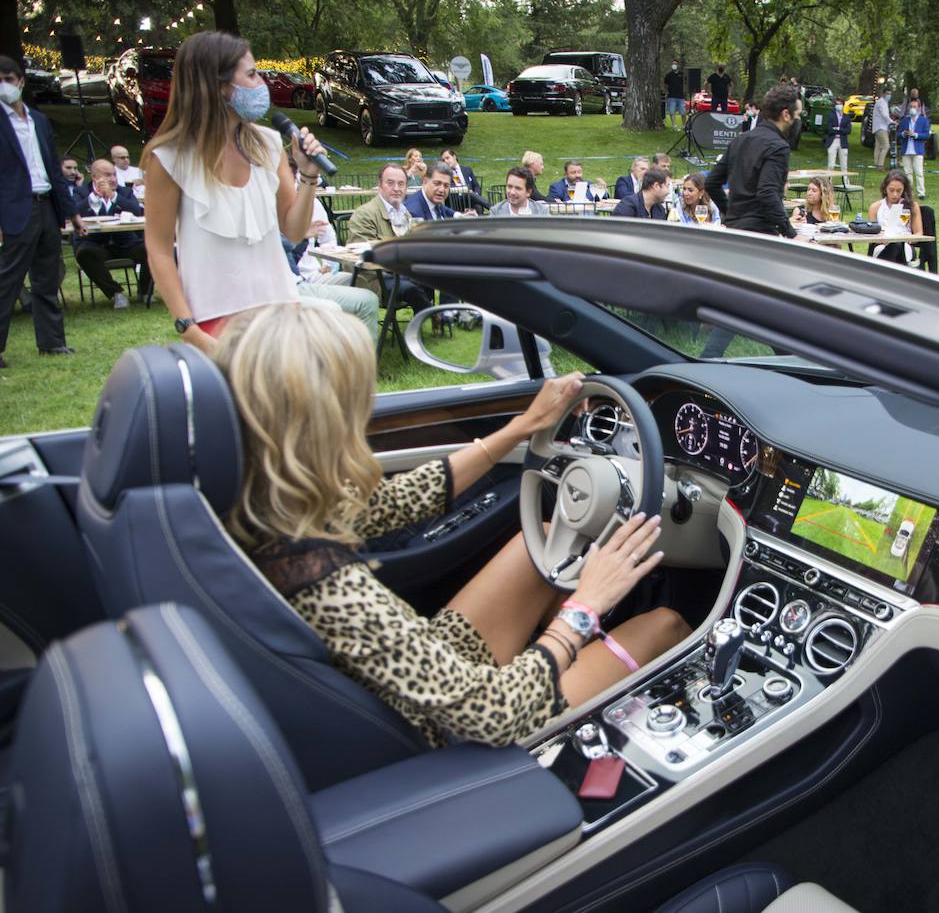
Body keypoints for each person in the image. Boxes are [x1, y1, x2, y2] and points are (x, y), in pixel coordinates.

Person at [213, 304, 690, 749]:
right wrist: (586, 607)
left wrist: (521, 429)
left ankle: (573, 672)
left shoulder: (256, 503)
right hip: (441, 734)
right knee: (664, 624)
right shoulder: (326, 587)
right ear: (324, 423)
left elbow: (394, 500)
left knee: (541, 543)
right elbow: (491, 714)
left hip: (418, 678)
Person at [141, 31, 332, 351]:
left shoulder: (268, 144)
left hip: (280, 310)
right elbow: (159, 250)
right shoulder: (170, 158)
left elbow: (295, 231)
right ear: (217, 85)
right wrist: (189, 329)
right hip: (214, 320)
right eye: (252, 74)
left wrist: (309, 177)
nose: (262, 84)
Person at [702, 84, 805, 357]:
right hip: (760, 235)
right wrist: (791, 233)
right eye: (797, 116)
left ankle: (792, 361)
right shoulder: (777, 147)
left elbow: (711, 183)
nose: (797, 121)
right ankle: (707, 360)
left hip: (738, 233)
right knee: (754, 304)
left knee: (757, 305)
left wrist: (731, 214)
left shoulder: (741, 140)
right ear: (785, 114)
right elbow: (768, 193)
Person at [0, 54, 84, 366]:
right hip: (15, 209)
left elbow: (54, 168)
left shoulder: (39, 120)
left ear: (20, 81)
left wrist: (72, 212)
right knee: (7, 280)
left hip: (46, 203)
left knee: (47, 279)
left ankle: (52, 342)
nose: (4, 86)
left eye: (8, 80)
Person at [280, 175, 381, 341]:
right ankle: (344, 350)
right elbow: (283, 261)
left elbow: (328, 237)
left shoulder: (313, 204)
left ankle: (357, 345)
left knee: (359, 280)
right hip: (293, 284)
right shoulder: (269, 210)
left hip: (314, 275)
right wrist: (300, 238)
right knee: (340, 306)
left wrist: (330, 265)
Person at [340, 163, 434, 311]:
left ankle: (429, 320)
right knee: (412, 289)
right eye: (390, 183)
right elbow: (360, 253)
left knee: (432, 279)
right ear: (380, 185)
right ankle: (434, 318)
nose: (396, 188)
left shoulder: (404, 213)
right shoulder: (365, 214)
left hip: (397, 272)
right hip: (371, 278)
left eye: (401, 184)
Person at [75, 158, 150, 309]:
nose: (113, 179)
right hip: (97, 244)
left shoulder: (125, 192)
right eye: (108, 175)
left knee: (152, 249)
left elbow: (138, 211)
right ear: (95, 177)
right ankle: (115, 293)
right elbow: (74, 212)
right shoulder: (81, 192)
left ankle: (145, 291)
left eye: (114, 174)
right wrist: (94, 196)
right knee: (84, 253)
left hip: (125, 243)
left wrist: (114, 197)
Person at [865, 170, 924, 265]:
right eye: (891, 190)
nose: (895, 194)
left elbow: (919, 232)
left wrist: (911, 238)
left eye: (899, 190)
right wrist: (880, 238)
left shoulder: (911, 206)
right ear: (885, 189)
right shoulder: (875, 207)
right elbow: (872, 233)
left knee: (897, 245)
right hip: (882, 245)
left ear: (904, 189)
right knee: (890, 247)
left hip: (905, 245)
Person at [895, 100, 930, 198]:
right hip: (906, 150)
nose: (912, 109)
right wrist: (904, 134)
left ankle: (921, 192)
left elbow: (927, 135)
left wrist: (915, 135)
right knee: (907, 172)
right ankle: (908, 192)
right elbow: (898, 134)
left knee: (919, 172)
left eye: (914, 106)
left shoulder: (923, 120)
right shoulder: (905, 120)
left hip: (917, 150)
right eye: (911, 107)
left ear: (919, 108)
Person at [439, 148, 490, 213]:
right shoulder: (445, 174)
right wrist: (468, 192)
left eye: (447, 158)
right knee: (469, 193)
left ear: (454, 157)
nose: (445, 161)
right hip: (456, 201)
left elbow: (476, 186)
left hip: (471, 199)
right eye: (443, 160)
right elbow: (449, 187)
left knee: (478, 206)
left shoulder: (467, 169)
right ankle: (492, 207)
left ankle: (481, 222)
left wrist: (475, 195)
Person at [823, 98, 851, 174]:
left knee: (844, 165)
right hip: (833, 141)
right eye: (837, 104)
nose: (839, 106)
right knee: (831, 165)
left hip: (843, 142)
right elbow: (829, 129)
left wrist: (837, 128)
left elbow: (848, 130)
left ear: (843, 105)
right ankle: (828, 181)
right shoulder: (831, 116)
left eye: (840, 104)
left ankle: (845, 182)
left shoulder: (847, 117)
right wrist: (841, 130)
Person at [871, 86, 893, 168]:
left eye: (890, 94)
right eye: (887, 94)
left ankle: (876, 163)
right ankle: (880, 164)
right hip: (880, 127)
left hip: (880, 127)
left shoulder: (884, 102)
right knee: (886, 146)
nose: (889, 96)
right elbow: (884, 115)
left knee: (878, 146)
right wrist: (892, 122)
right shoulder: (881, 102)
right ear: (883, 94)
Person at [664, 61, 686, 130]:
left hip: (681, 97)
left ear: (678, 65)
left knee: (683, 112)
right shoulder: (669, 75)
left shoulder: (682, 74)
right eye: (672, 63)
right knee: (671, 112)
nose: (674, 65)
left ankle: (684, 126)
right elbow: (665, 84)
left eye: (675, 64)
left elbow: (685, 83)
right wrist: (666, 91)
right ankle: (674, 126)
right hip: (671, 96)